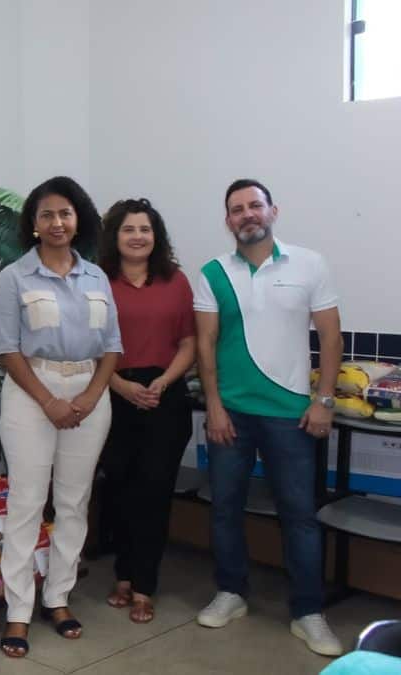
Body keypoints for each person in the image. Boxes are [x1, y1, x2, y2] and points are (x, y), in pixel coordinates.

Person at [194, 178, 343, 656]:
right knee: (224, 508)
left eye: (254, 205)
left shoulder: (309, 263)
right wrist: (214, 406)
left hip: (291, 415)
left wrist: (323, 401)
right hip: (231, 414)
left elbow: (331, 337)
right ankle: (231, 592)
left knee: (299, 515)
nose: (247, 214)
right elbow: (205, 344)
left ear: (272, 211)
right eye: (237, 209)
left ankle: (309, 612)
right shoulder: (213, 272)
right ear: (228, 221)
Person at [0, 176, 122, 658]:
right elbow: (6, 350)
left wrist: (89, 396)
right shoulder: (15, 277)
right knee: (27, 502)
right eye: (47, 214)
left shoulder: (97, 277)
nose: (57, 222)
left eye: (65, 213)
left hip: (89, 393)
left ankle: (58, 598)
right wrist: (48, 401)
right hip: (32, 392)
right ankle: (19, 610)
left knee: (73, 501)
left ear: (77, 219)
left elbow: (112, 347)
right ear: (34, 224)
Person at [95, 198, 195, 623]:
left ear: (157, 236)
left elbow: (189, 342)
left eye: (145, 229)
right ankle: (122, 575)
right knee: (118, 487)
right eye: (129, 229)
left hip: (164, 395)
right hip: (112, 390)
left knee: (153, 491)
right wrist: (120, 385)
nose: (138, 236)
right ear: (114, 237)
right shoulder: (97, 281)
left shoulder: (176, 281)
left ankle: (143, 586)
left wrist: (164, 381)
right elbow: (89, 345)